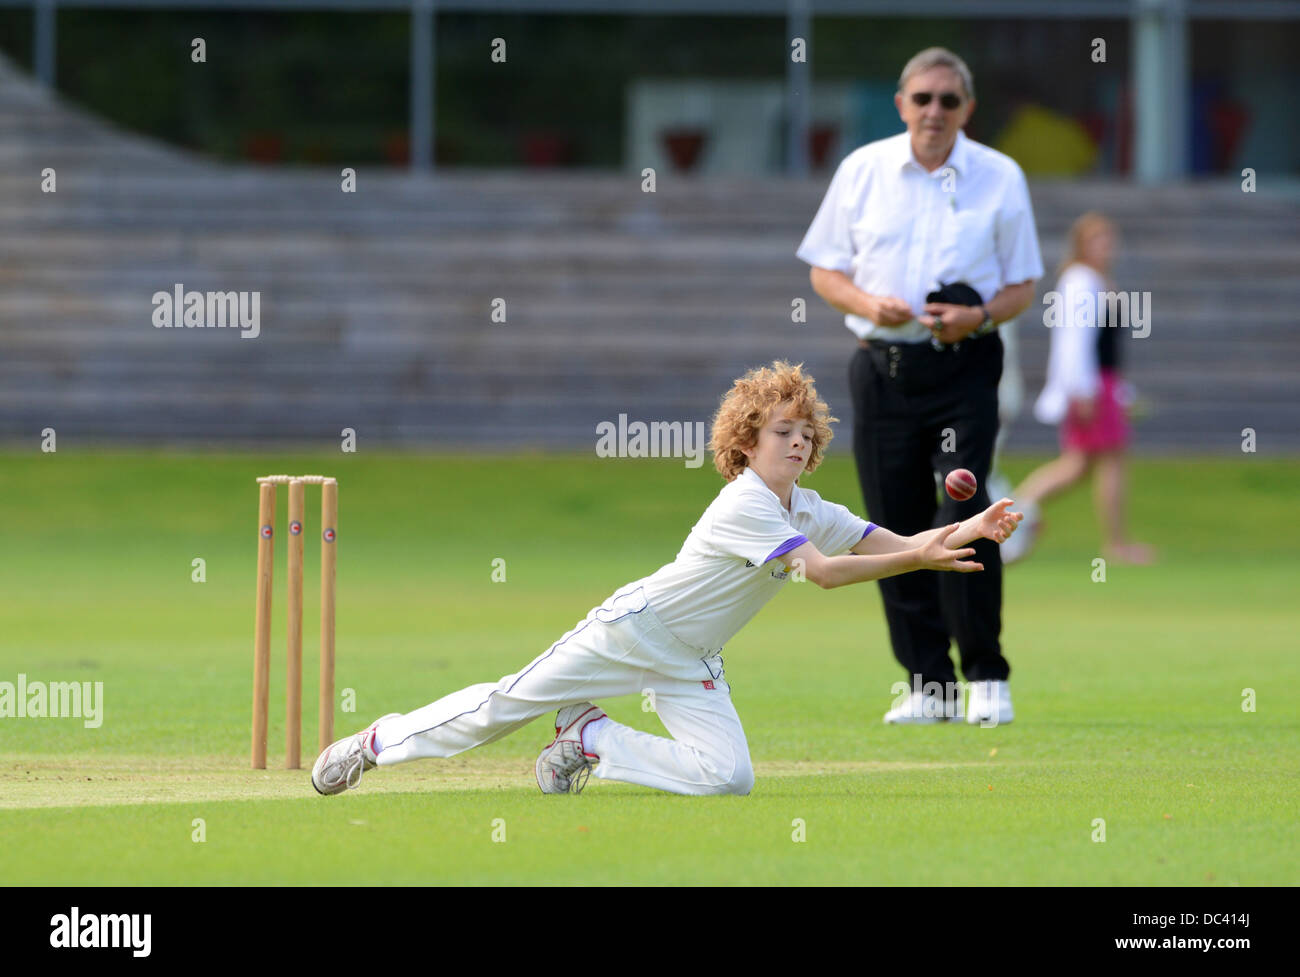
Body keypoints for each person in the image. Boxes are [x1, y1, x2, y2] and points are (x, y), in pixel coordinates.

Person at [310, 361, 1023, 798]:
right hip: (632, 630)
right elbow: (831, 574)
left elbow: (896, 541)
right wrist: (924, 557)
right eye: (782, 430)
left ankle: (591, 740)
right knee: (502, 709)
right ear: (746, 443)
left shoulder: (804, 503)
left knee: (728, 777)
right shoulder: (746, 499)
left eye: (806, 432)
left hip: (690, 659)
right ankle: (372, 743)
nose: (799, 441)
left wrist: (969, 528)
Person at [797, 47, 1044, 726]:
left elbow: (1023, 283)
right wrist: (868, 303)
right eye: (923, 98)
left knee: (963, 506)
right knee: (892, 527)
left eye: (949, 100)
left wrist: (979, 315)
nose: (935, 111)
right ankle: (928, 684)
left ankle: (987, 675)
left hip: (963, 365)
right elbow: (824, 269)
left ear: (968, 109)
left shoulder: (999, 176)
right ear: (902, 103)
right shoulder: (864, 170)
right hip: (883, 368)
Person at [1001, 213, 1154, 565]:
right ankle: (1115, 543)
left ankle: (1013, 512)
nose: (1107, 248)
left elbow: (1107, 345)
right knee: (1106, 460)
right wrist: (1083, 390)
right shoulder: (1080, 281)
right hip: (1091, 386)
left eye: (1109, 240)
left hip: (1104, 383)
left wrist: (1121, 392)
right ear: (1082, 245)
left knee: (1078, 466)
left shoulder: (1099, 281)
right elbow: (1075, 340)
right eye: (1099, 241)